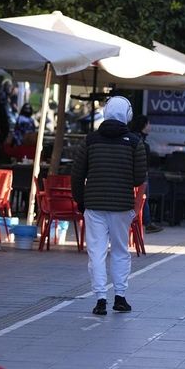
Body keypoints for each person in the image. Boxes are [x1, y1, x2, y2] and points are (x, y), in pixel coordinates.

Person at [71, 96, 147, 316]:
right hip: (122, 206)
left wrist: (80, 201)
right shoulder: (135, 142)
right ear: (127, 115)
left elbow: (77, 174)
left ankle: (100, 299)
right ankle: (120, 297)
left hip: (94, 205)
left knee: (96, 252)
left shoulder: (90, 141)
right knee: (120, 251)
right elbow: (139, 178)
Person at [129, 114, 162, 233]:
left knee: (142, 198)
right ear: (144, 125)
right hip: (140, 173)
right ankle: (146, 222)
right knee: (143, 197)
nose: (150, 126)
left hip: (135, 172)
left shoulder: (134, 137)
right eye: (148, 124)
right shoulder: (140, 141)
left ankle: (146, 221)